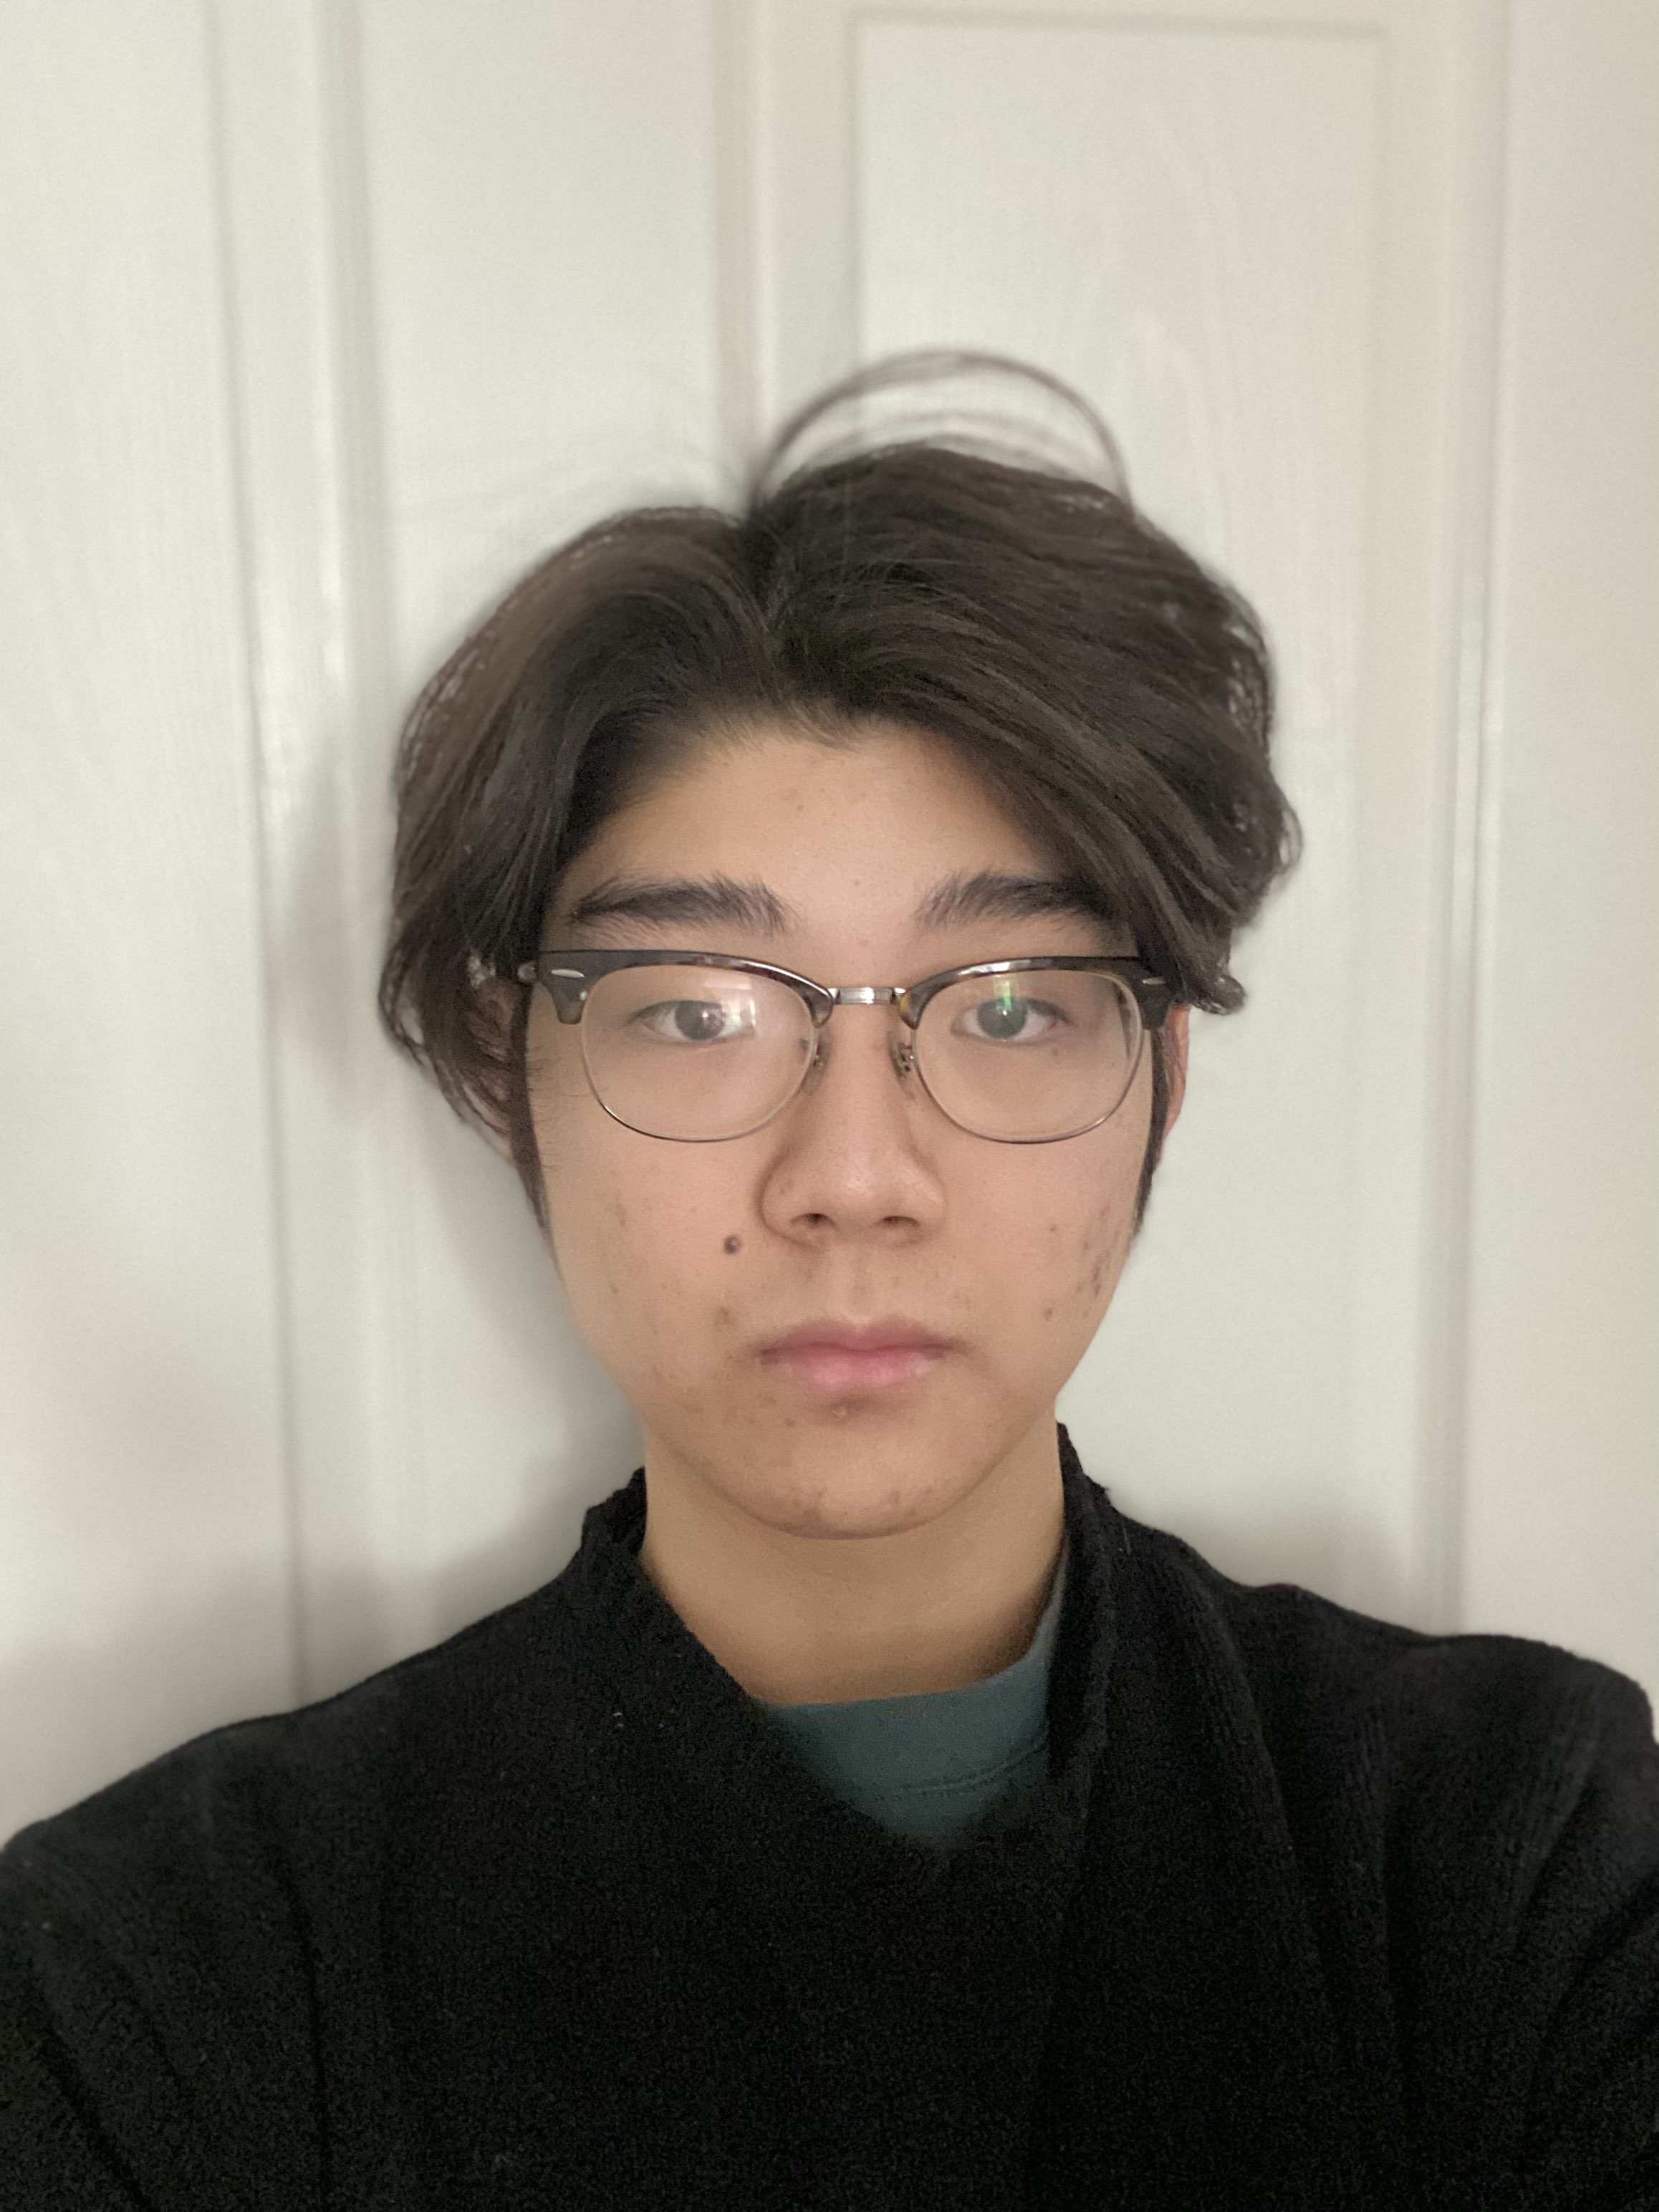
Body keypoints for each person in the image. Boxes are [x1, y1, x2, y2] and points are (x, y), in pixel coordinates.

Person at [2, 352, 1655, 2208]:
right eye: (695, 1011)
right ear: (515, 1086)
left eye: (1012, 1007)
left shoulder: (1512, 1861)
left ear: (1160, 1083)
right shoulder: (157, 1983)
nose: (853, 1180)